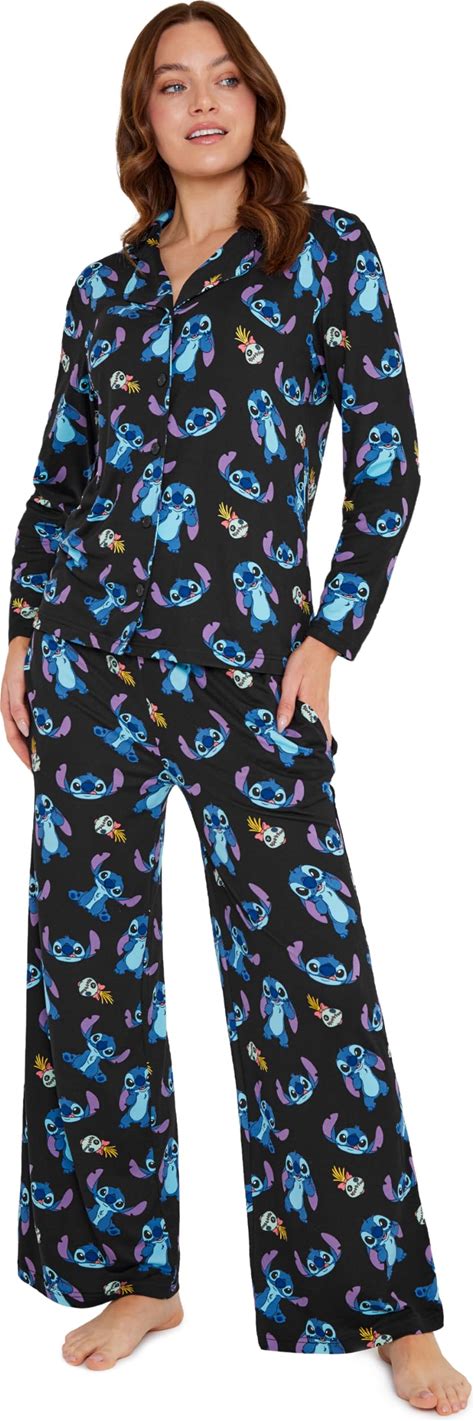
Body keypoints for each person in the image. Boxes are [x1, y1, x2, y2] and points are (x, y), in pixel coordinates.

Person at [2, 1, 470, 1408]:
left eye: (222, 79)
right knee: (88, 971)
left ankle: (381, 1303)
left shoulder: (324, 253)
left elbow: (386, 458)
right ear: (142, 121)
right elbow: (60, 477)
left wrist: (330, 637)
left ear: (257, 101)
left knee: (305, 974)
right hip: (90, 665)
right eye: (170, 85)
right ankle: (133, 1273)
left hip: (251, 670)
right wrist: (21, 631)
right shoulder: (103, 290)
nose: (200, 102)